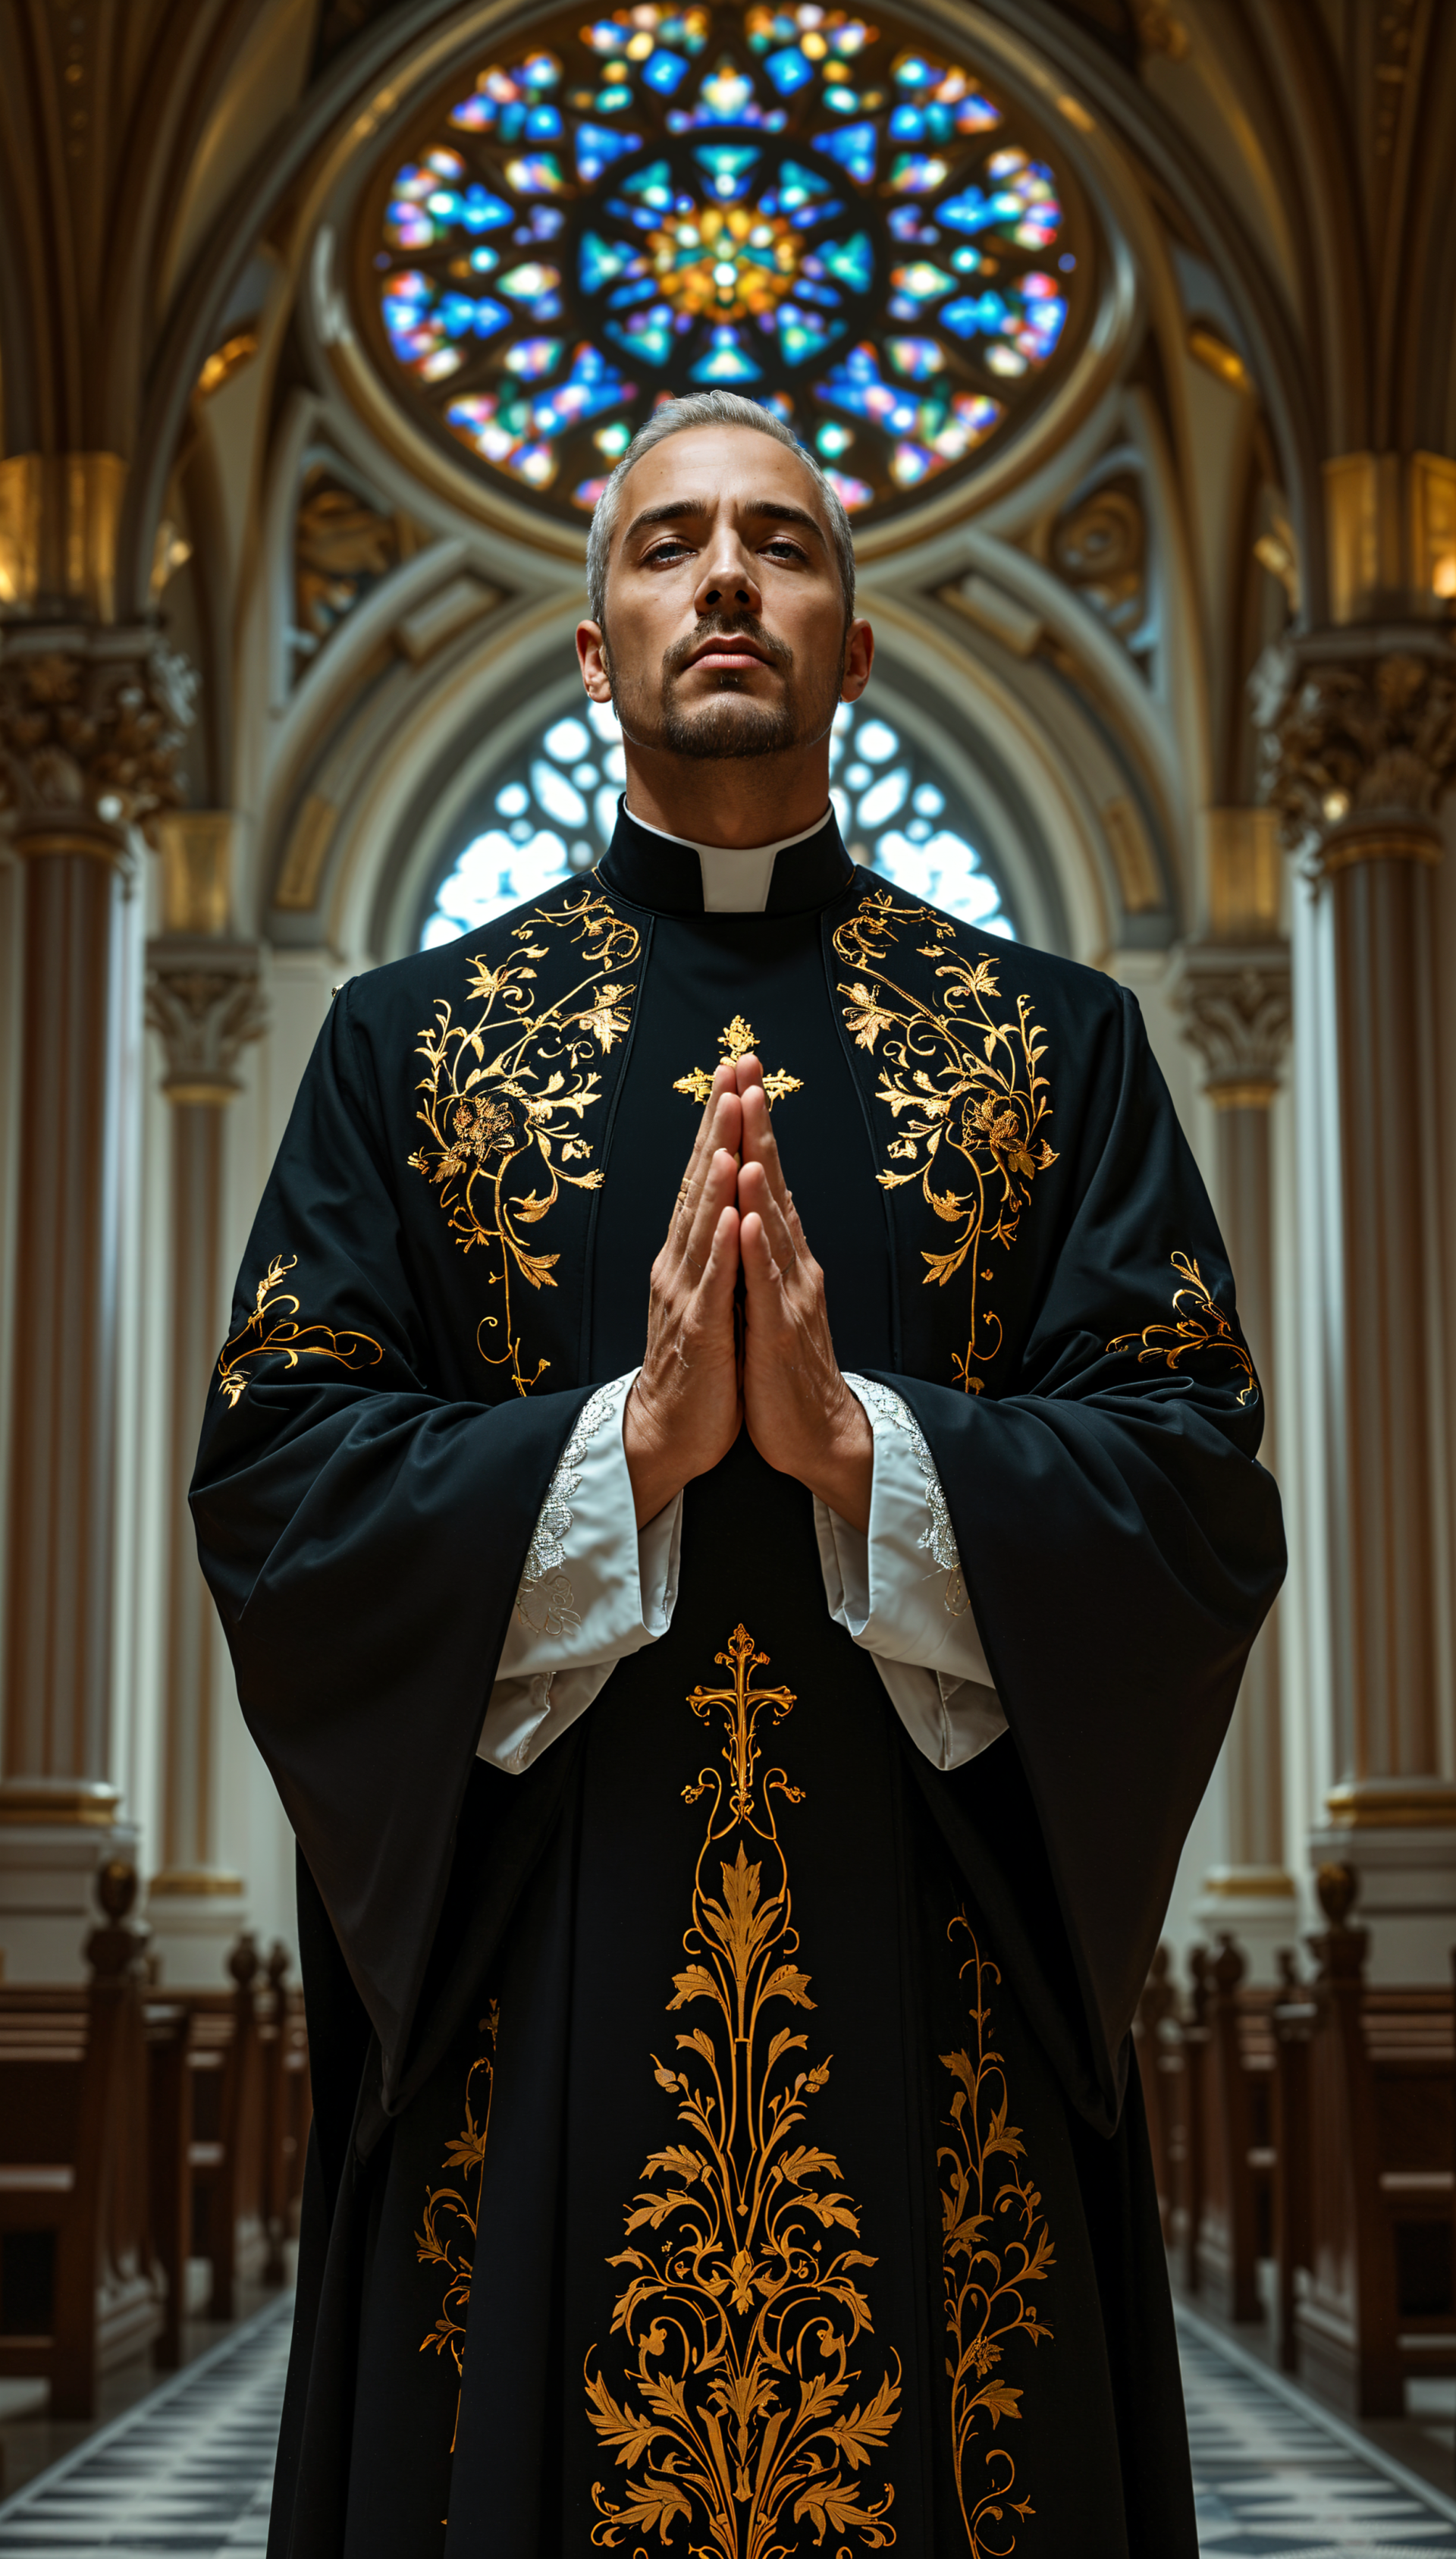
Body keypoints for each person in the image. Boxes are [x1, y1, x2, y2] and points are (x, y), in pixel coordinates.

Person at [193, 390, 1283, 2558]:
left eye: (781, 543)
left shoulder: (1055, 1048)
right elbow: (279, 1477)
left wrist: (868, 1453)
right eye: (667, 542)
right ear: (593, 645)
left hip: (941, 2014)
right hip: (537, 2010)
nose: (723, 579)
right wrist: (628, 1450)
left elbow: (1191, 1479)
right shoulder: (404, 1051)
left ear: (850, 645)